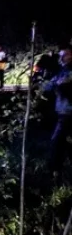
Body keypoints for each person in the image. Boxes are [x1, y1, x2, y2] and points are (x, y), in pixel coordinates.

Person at [43, 47, 72, 177]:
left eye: (63, 55)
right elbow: (48, 86)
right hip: (62, 111)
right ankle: (57, 169)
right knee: (62, 141)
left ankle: (55, 169)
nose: (60, 58)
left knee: (57, 140)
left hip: (67, 111)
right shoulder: (60, 71)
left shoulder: (68, 71)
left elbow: (60, 84)